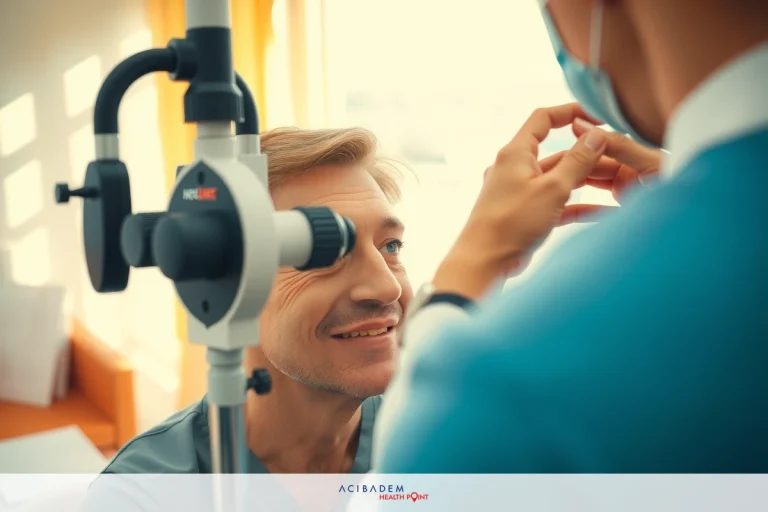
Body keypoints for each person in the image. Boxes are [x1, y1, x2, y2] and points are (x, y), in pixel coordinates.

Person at [373, 0, 768, 472]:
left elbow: (421, 482)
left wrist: (465, 274)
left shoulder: (508, 386)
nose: (384, 288)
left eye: (390, 246)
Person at [102, 126, 412, 474]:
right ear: (223, 288)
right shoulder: (143, 493)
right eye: (325, 253)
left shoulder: (438, 447)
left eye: (390, 247)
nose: (389, 289)